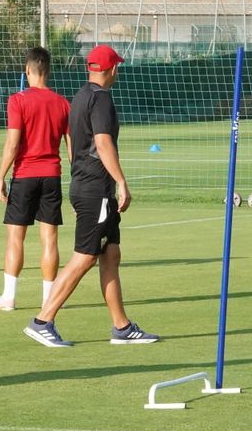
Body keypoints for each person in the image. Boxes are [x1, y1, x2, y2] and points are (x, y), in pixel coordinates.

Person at [24, 45, 159, 348]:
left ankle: (122, 327)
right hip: (96, 188)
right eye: (117, 67)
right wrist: (121, 182)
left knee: (110, 254)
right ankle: (42, 320)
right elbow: (102, 143)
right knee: (85, 256)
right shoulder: (100, 99)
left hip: (90, 187)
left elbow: (76, 146)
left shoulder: (82, 95)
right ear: (112, 69)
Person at [0, 46, 70, 312]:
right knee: (50, 238)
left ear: (27, 70)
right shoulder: (63, 103)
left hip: (24, 175)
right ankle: (49, 299)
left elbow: (13, 144)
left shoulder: (18, 100)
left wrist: (1, 175)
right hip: (52, 176)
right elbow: (72, 147)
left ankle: (9, 298)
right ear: (48, 70)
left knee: (15, 237)